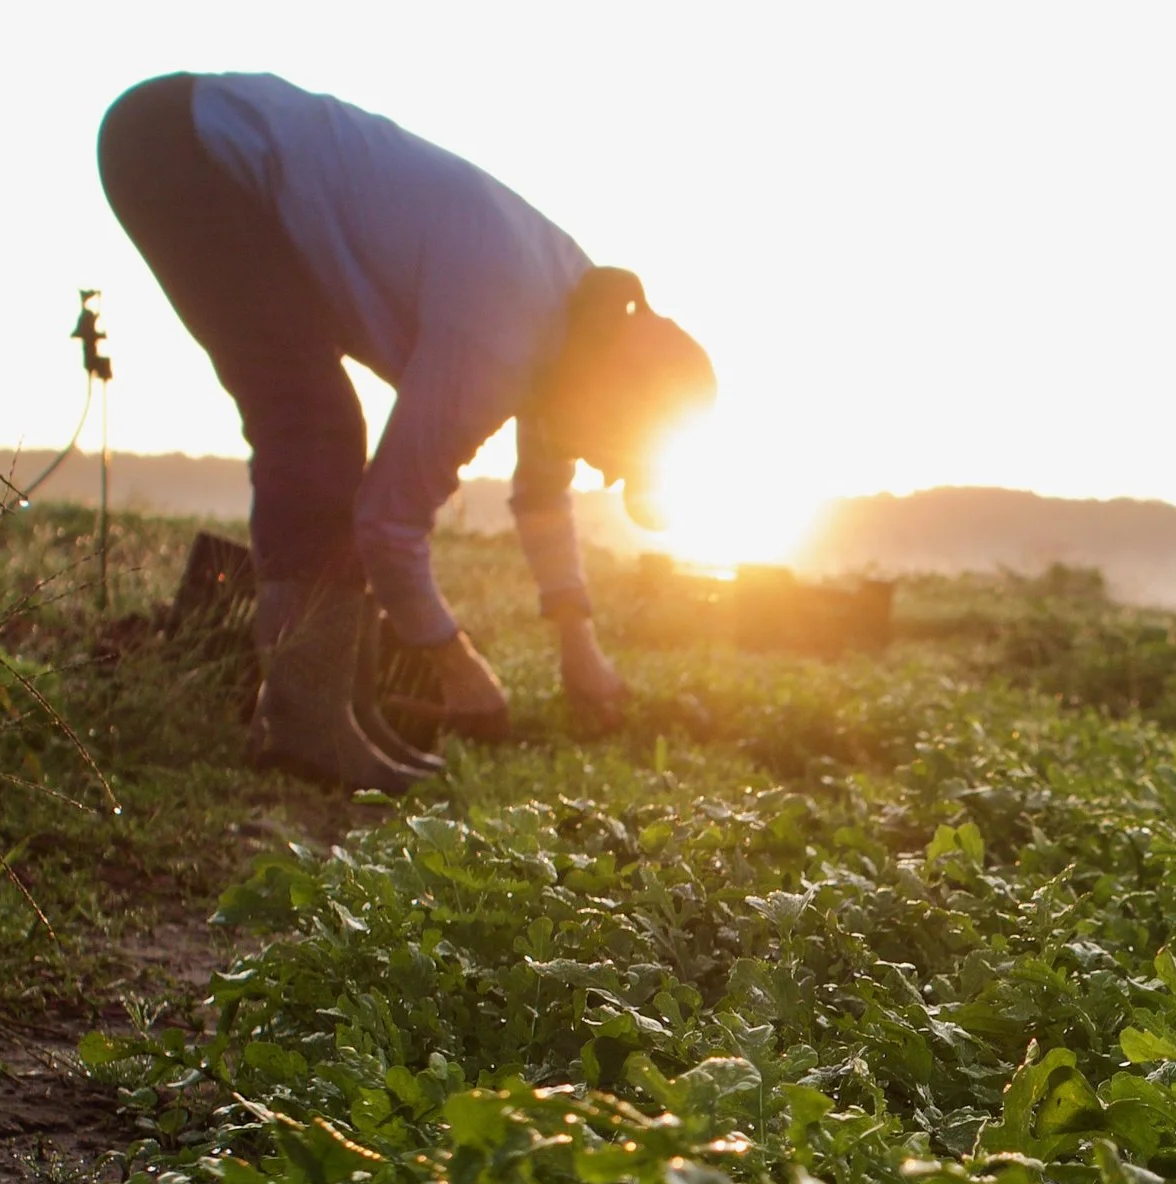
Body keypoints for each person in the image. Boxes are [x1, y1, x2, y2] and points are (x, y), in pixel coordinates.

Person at [97, 73, 714, 792]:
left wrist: (580, 647)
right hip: (188, 148)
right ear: (615, 400)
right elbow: (390, 522)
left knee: (324, 424)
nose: (601, 472)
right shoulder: (506, 334)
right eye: (618, 461)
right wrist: (457, 665)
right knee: (314, 425)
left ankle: (341, 713)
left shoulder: (583, 324)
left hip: (199, 141)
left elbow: (543, 497)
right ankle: (304, 725)